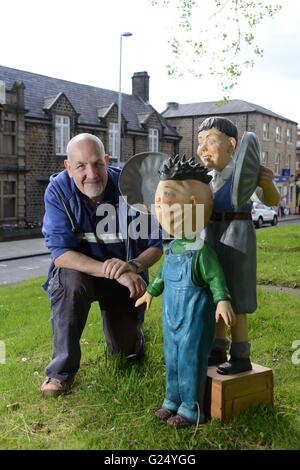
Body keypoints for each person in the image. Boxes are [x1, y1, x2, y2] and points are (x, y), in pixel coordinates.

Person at [41, 133, 162, 397]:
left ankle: (134, 339)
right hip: (82, 273)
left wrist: (132, 266)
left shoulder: (133, 188)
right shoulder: (58, 191)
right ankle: (60, 373)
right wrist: (110, 269)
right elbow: (60, 253)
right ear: (68, 167)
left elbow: (156, 244)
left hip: (125, 273)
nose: (91, 174)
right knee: (69, 282)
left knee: (126, 357)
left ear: (107, 160)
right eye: (81, 166)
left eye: (97, 164)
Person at [136, 155, 235, 427]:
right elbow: (162, 277)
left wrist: (222, 300)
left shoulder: (202, 251)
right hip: (171, 317)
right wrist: (150, 292)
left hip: (194, 317)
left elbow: (215, 278)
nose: (159, 210)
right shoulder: (173, 249)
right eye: (157, 203)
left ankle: (192, 407)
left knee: (191, 359)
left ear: (192, 205)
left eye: (164, 201)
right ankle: (172, 400)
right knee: (173, 357)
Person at [197, 117, 280, 375]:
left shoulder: (244, 173)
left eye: (211, 141)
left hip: (237, 234)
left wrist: (266, 183)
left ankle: (241, 353)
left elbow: (272, 201)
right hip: (211, 233)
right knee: (216, 291)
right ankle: (218, 347)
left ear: (231, 144)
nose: (203, 148)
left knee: (237, 294)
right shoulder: (206, 179)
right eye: (200, 142)